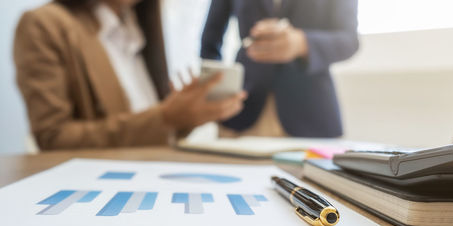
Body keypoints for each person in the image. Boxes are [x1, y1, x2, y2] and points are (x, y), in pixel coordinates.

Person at [13, 0, 246, 150]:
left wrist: (187, 116)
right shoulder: (44, 24)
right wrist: (166, 117)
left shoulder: (140, 29)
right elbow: (53, 138)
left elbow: (146, 129)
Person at [201, 0, 359, 138]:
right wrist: (219, 88)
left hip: (311, 111)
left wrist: (301, 43)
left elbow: (350, 40)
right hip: (243, 108)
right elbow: (210, 41)